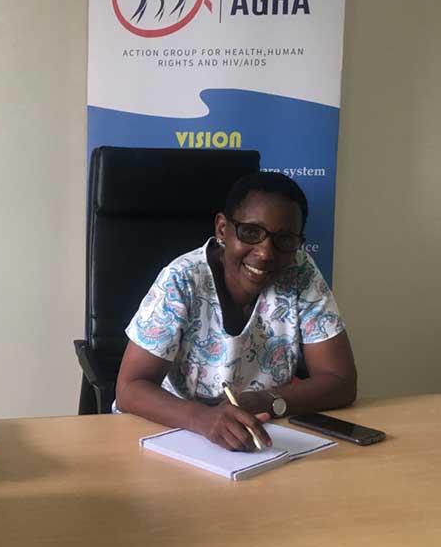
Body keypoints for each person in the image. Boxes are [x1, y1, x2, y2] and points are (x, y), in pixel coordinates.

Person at [115, 171, 357, 452]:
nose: (266, 252)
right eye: (251, 232)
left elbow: (341, 381)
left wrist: (268, 399)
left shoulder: (299, 272)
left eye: (285, 240)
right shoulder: (182, 279)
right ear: (222, 229)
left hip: (260, 435)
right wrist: (203, 419)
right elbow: (129, 389)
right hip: (173, 430)